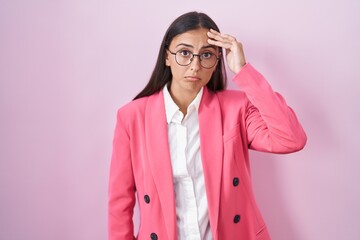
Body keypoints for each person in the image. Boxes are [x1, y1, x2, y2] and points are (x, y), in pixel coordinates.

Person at [108, 11, 307, 240]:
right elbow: (119, 203)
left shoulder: (236, 108)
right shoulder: (132, 117)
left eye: (206, 55)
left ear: (217, 61)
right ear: (167, 57)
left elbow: (291, 138)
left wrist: (243, 71)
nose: (195, 65)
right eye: (184, 53)